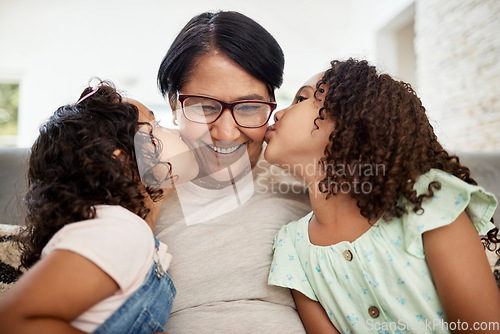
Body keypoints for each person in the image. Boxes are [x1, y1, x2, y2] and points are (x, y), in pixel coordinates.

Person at [265, 58, 500, 333]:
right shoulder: (291, 246)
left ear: (350, 120)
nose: (278, 113)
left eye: (302, 98)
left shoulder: (427, 201)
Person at [155, 11, 311, 332]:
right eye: (205, 106)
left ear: (273, 105)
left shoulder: (311, 181)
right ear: (174, 104)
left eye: (250, 107)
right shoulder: (142, 193)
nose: (226, 133)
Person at [0, 81, 197, 334]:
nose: (176, 131)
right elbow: (12, 322)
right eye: (155, 125)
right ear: (123, 163)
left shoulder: (127, 234)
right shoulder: (117, 231)